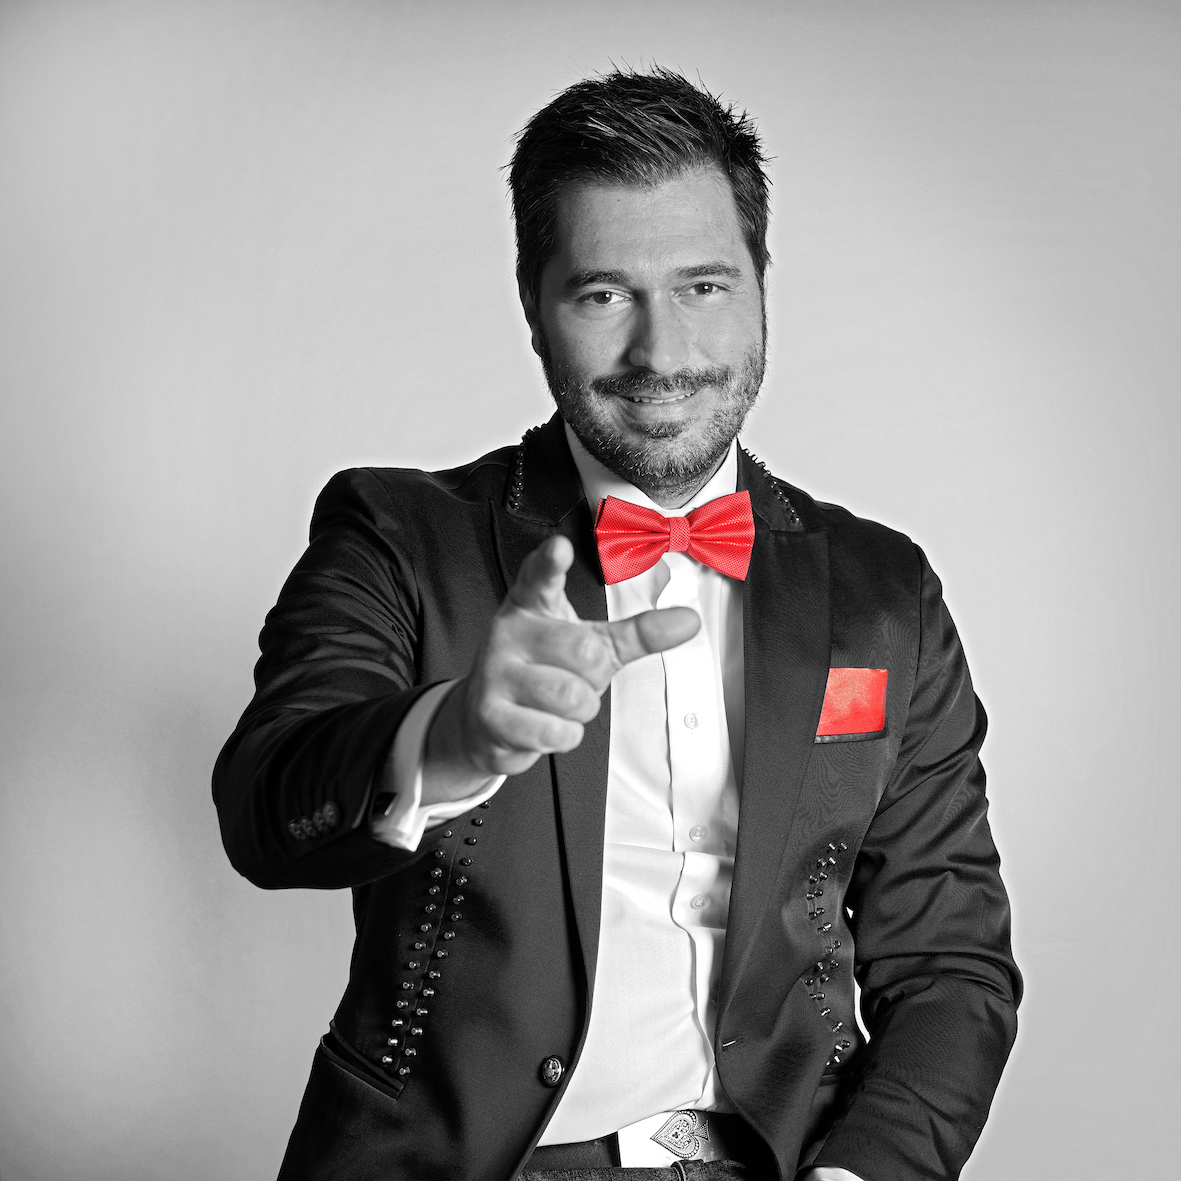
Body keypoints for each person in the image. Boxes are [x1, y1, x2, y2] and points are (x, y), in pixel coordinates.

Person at [213, 67, 1020, 1181]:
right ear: (531, 303)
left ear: (761, 283)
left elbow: (949, 965)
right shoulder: (395, 534)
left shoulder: (885, 592)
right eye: (603, 294)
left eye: (702, 286)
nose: (661, 354)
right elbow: (266, 807)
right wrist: (450, 737)